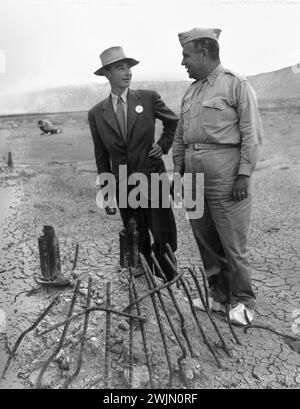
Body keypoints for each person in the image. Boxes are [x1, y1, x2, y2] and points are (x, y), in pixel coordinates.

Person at [173, 28, 263, 325]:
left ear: (205, 52)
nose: (183, 61)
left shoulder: (235, 85)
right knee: (205, 239)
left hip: (226, 174)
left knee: (233, 242)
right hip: (194, 177)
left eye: (186, 55)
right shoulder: (191, 91)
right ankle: (219, 297)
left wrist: (244, 175)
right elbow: (180, 136)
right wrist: (178, 172)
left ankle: (244, 302)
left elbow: (252, 133)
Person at [88, 46, 178, 280]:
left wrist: (163, 145)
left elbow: (173, 123)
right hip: (123, 184)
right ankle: (145, 280)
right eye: (120, 68)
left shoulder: (148, 98)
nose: (127, 72)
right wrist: (107, 192)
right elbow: (101, 155)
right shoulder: (97, 112)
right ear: (107, 74)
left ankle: (168, 279)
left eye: (129, 67)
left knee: (163, 233)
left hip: (153, 178)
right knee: (136, 235)